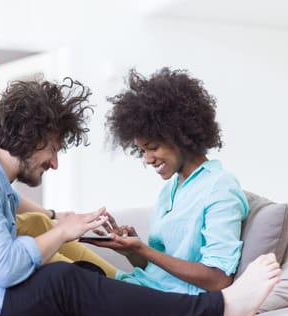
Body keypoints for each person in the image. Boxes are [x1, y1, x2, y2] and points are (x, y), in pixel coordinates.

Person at [0, 77, 280, 316]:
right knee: (62, 281)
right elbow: (4, 268)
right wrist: (63, 231)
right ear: (30, 138)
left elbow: (21, 208)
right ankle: (222, 308)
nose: (54, 163)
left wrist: (63, 217)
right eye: (53, 149)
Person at [81, 67, 249, 295]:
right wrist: (132, 251)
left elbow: (218, 279)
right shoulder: (171, 188)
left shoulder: (220, 186)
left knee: (65, 281)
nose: (148, 159)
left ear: (181, 135)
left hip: (176, 301)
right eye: (142, 151)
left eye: (153, 148)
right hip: (144, 287)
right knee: (71, 271)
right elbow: (157, 270)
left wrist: (144, 250)